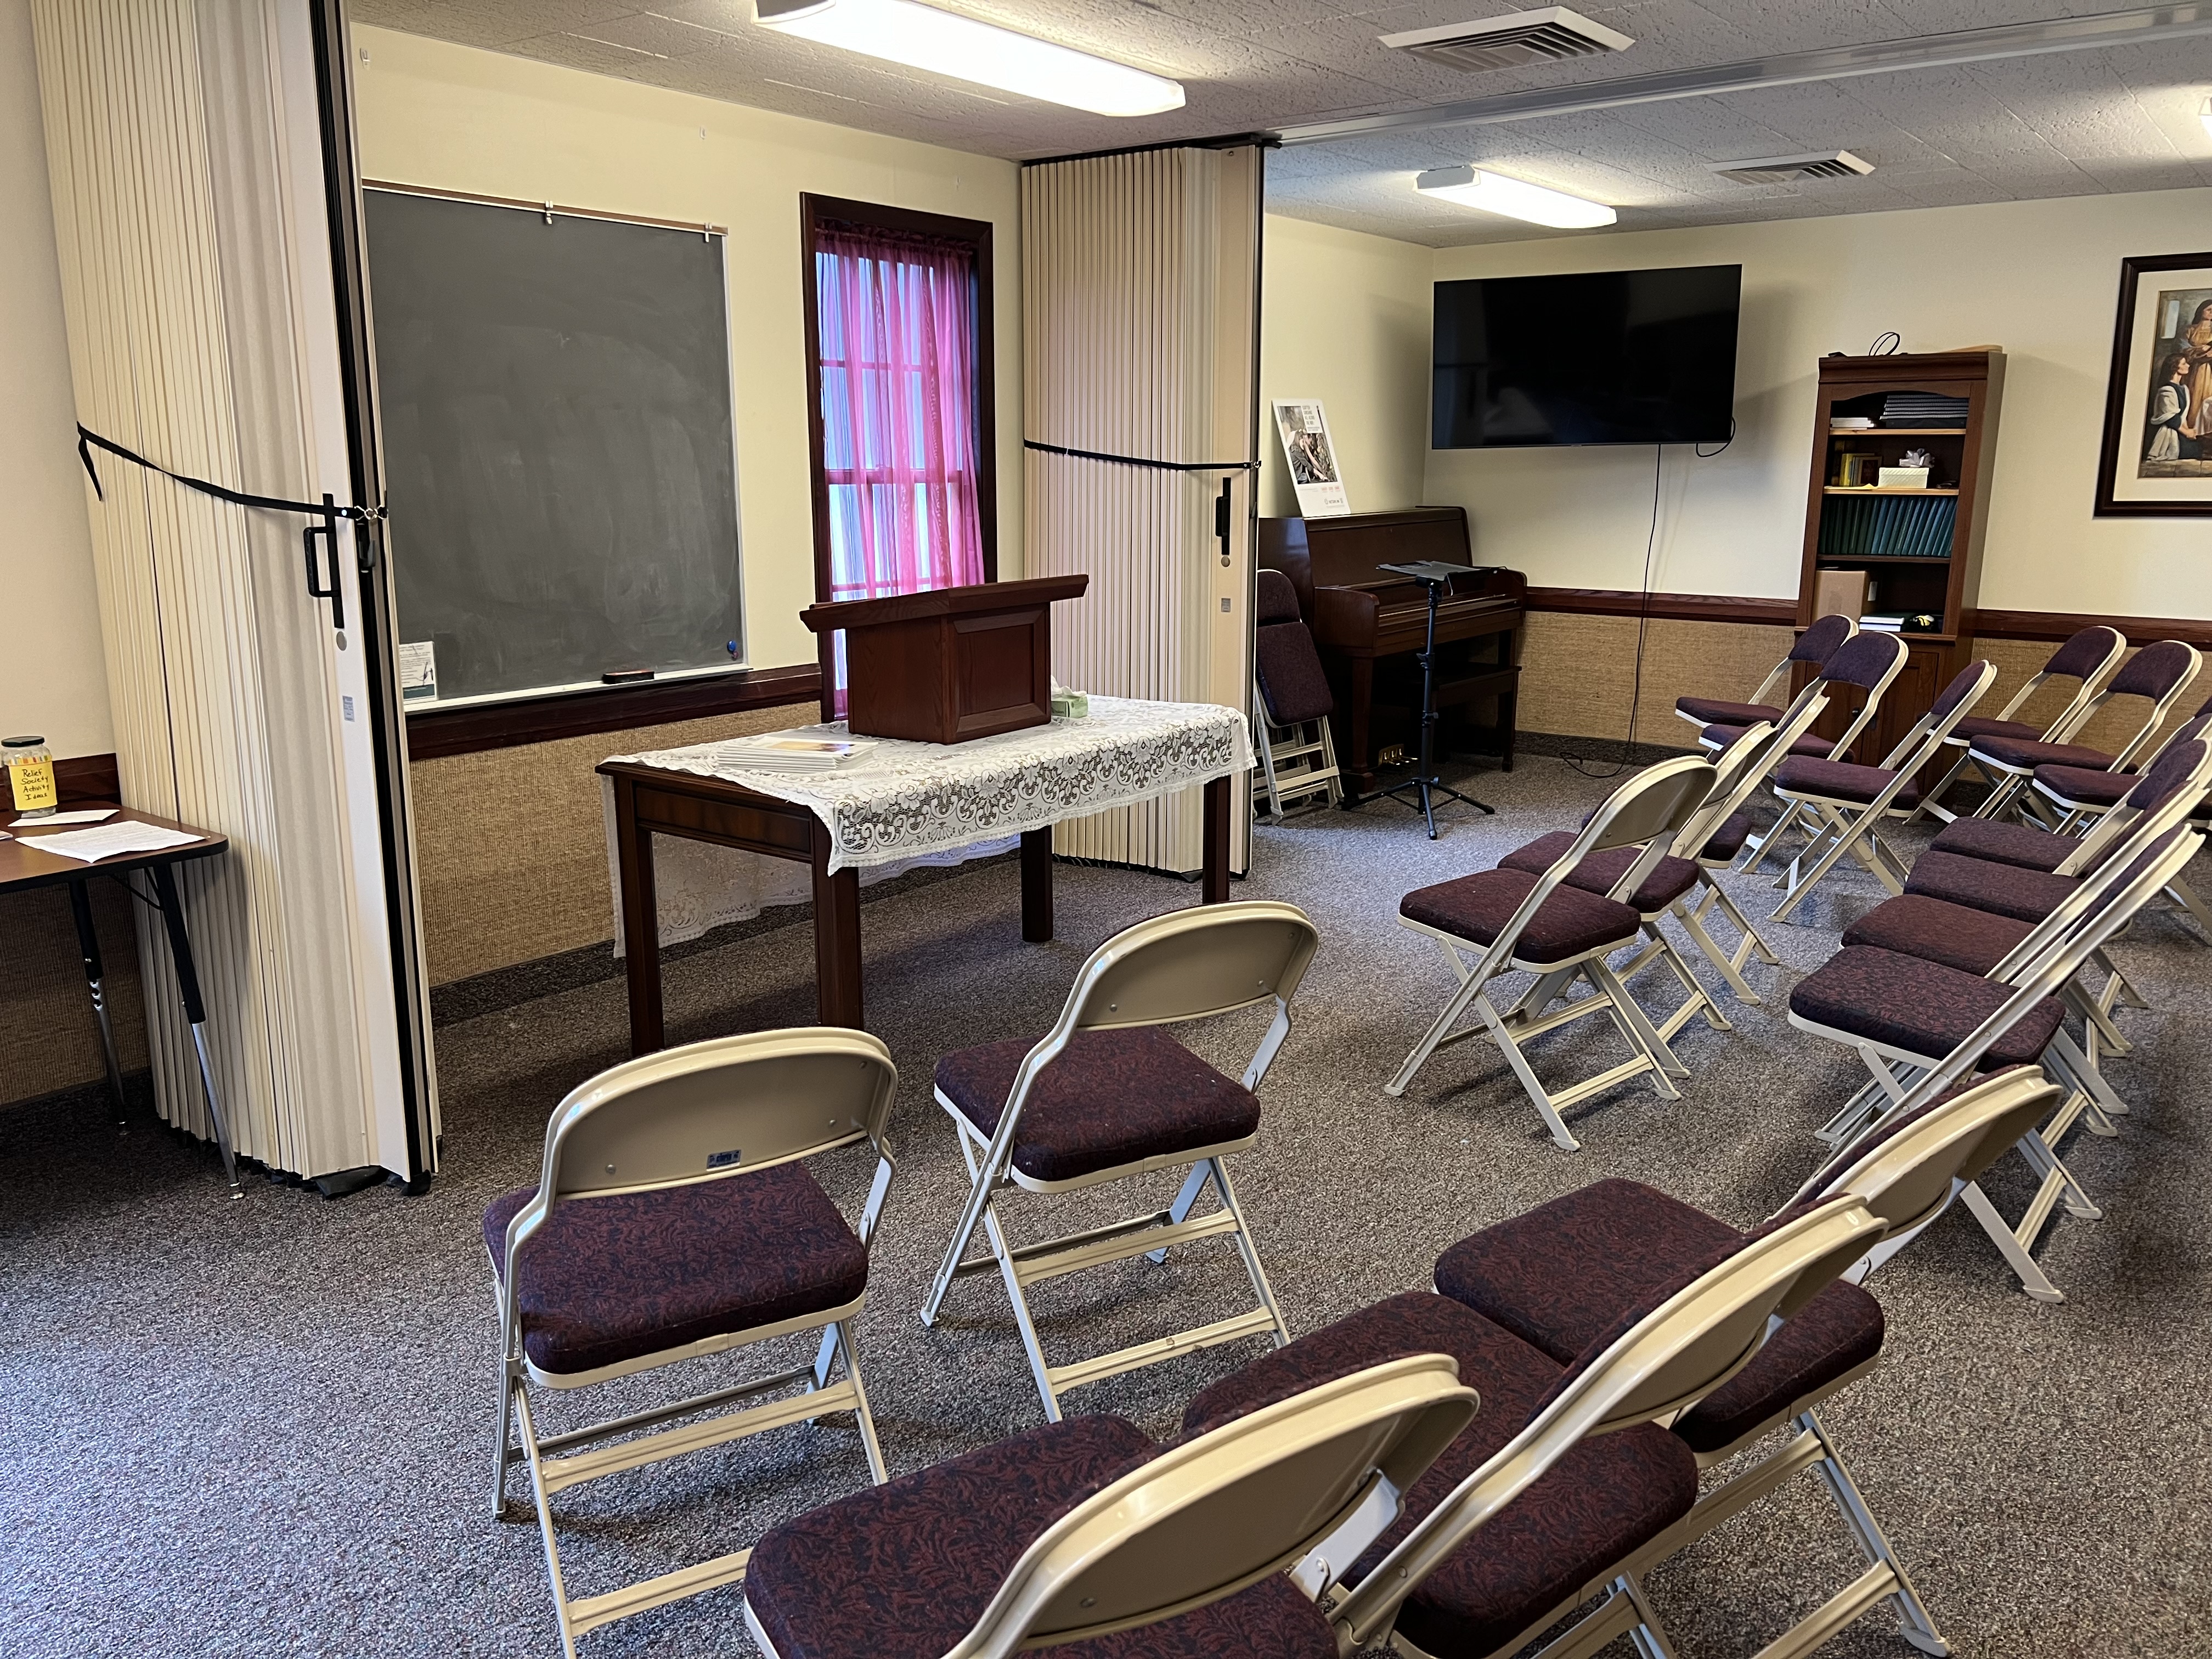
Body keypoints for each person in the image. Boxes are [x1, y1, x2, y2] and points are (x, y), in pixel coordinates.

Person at [2177, 298, 2212, 447]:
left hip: (2210, 371)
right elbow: (2182, 348)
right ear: (2201, 310)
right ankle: (2191, 437)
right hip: (2193, 372)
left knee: (2208, 401)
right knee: (2193, 401)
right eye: (2209, 309)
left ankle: (2208, 440)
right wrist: (2200, 350)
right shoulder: (2190, 330)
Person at [2146, 352, 2190, 464]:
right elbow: (2171, 419)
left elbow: (2182, 417)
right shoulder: (2166, 391)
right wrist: (2187, 433)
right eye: (2184, 363)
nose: (2188, 365)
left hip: (2180, 431)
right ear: (2175, 367)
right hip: (2169, 434)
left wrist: (2189, 430)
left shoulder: (2184, 389)